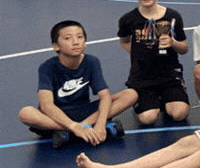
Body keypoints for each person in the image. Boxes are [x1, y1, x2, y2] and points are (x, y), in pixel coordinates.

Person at [19, 21, 136, 149]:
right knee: (25, 113)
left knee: (131, 94)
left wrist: (100, 124)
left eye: (79, 37)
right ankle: (75, 130)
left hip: (84, 111)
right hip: (57, 117)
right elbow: (47, 106)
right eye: (68, 38)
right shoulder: (47, 67)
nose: (75, 42)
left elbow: (105, 96)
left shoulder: (91, 62)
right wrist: (74, 126)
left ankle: (73, 133)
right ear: (56, 46)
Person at [117, 0, 191, 125]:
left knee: (179, 114)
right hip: (142, 77)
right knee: (148, 118)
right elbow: (124, 40)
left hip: (169, 74)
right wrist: (139, 53)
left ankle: (169, 96)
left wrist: (173, 43)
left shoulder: (173, 16)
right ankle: (148, 101)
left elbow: (184, 48)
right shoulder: (127, 20)